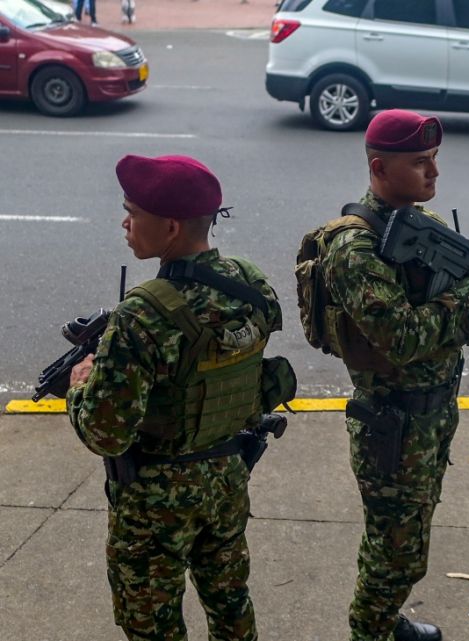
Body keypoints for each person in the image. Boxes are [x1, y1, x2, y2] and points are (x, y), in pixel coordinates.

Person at [307, 109, 469, 641]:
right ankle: (370, 633)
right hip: (392, 423)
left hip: (431, 415)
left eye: (435, 160)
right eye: (420, 163)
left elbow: (453, 319)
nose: (434, 174)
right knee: (394, 550)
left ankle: (383, 621)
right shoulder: (354, 248)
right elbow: (398, 337)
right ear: (379, 167)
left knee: (406, 540)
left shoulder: (428, 228)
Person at [67, 154, 288, 641]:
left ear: (169, 227)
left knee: (153, 622)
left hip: (153, 501)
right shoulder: (251, 284)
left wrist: (80, 384)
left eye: (133, 212)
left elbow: (105, 433)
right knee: (231, 604)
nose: (125, 222)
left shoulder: (142, 315)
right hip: (228, 477)